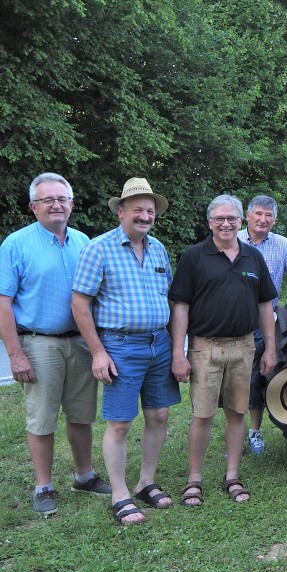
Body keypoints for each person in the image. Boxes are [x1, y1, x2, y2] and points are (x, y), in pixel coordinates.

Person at [0, 172, 111, 517]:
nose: (55, 204)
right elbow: (3, 302)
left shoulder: (84, 243)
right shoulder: (15, 245)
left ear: (72, 204)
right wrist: (15, 354)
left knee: (81, 415)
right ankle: (43, 487)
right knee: (42, 419)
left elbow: (97, 296)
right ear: (33, 206)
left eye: (62, 198)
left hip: (80, 343)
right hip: (38, 343)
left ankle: (84, 475)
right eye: (47, 199)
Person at [71, 177, 180, 526]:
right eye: (137, 210)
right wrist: (99, 352)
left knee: (159, 415)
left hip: (158, 343)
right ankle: (120, 494)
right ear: (121, 212)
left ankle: (146, 481)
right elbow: (79, 303)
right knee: (119, 423)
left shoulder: (159, 249)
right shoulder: (98, 248)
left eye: (150, 211)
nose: (145, 216)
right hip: (120, 346)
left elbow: (168, 298)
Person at [170, 195, 278, 506]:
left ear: (240, 221)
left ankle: (232, 475)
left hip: (244, 346)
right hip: (205, 348)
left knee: (237, 412)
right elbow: (180, 307)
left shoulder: (253, 258)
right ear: (210, 223)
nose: (226, 223)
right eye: (219, 218)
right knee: (202, 414)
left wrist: (270, 348)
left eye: (231, 218)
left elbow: (264, 305)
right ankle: (194, 479)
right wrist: (179, 353)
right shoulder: (193, 257)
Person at [237, 195, 287, 455]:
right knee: (228, 379)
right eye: (258, 214)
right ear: (247, 216)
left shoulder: (283, 245)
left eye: (268, 215)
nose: (263, 219)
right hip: (229, 320)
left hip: (263, 321)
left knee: (256, 377)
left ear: (275, 220)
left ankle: (255, 433)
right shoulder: (230, 239)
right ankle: (233, 433)